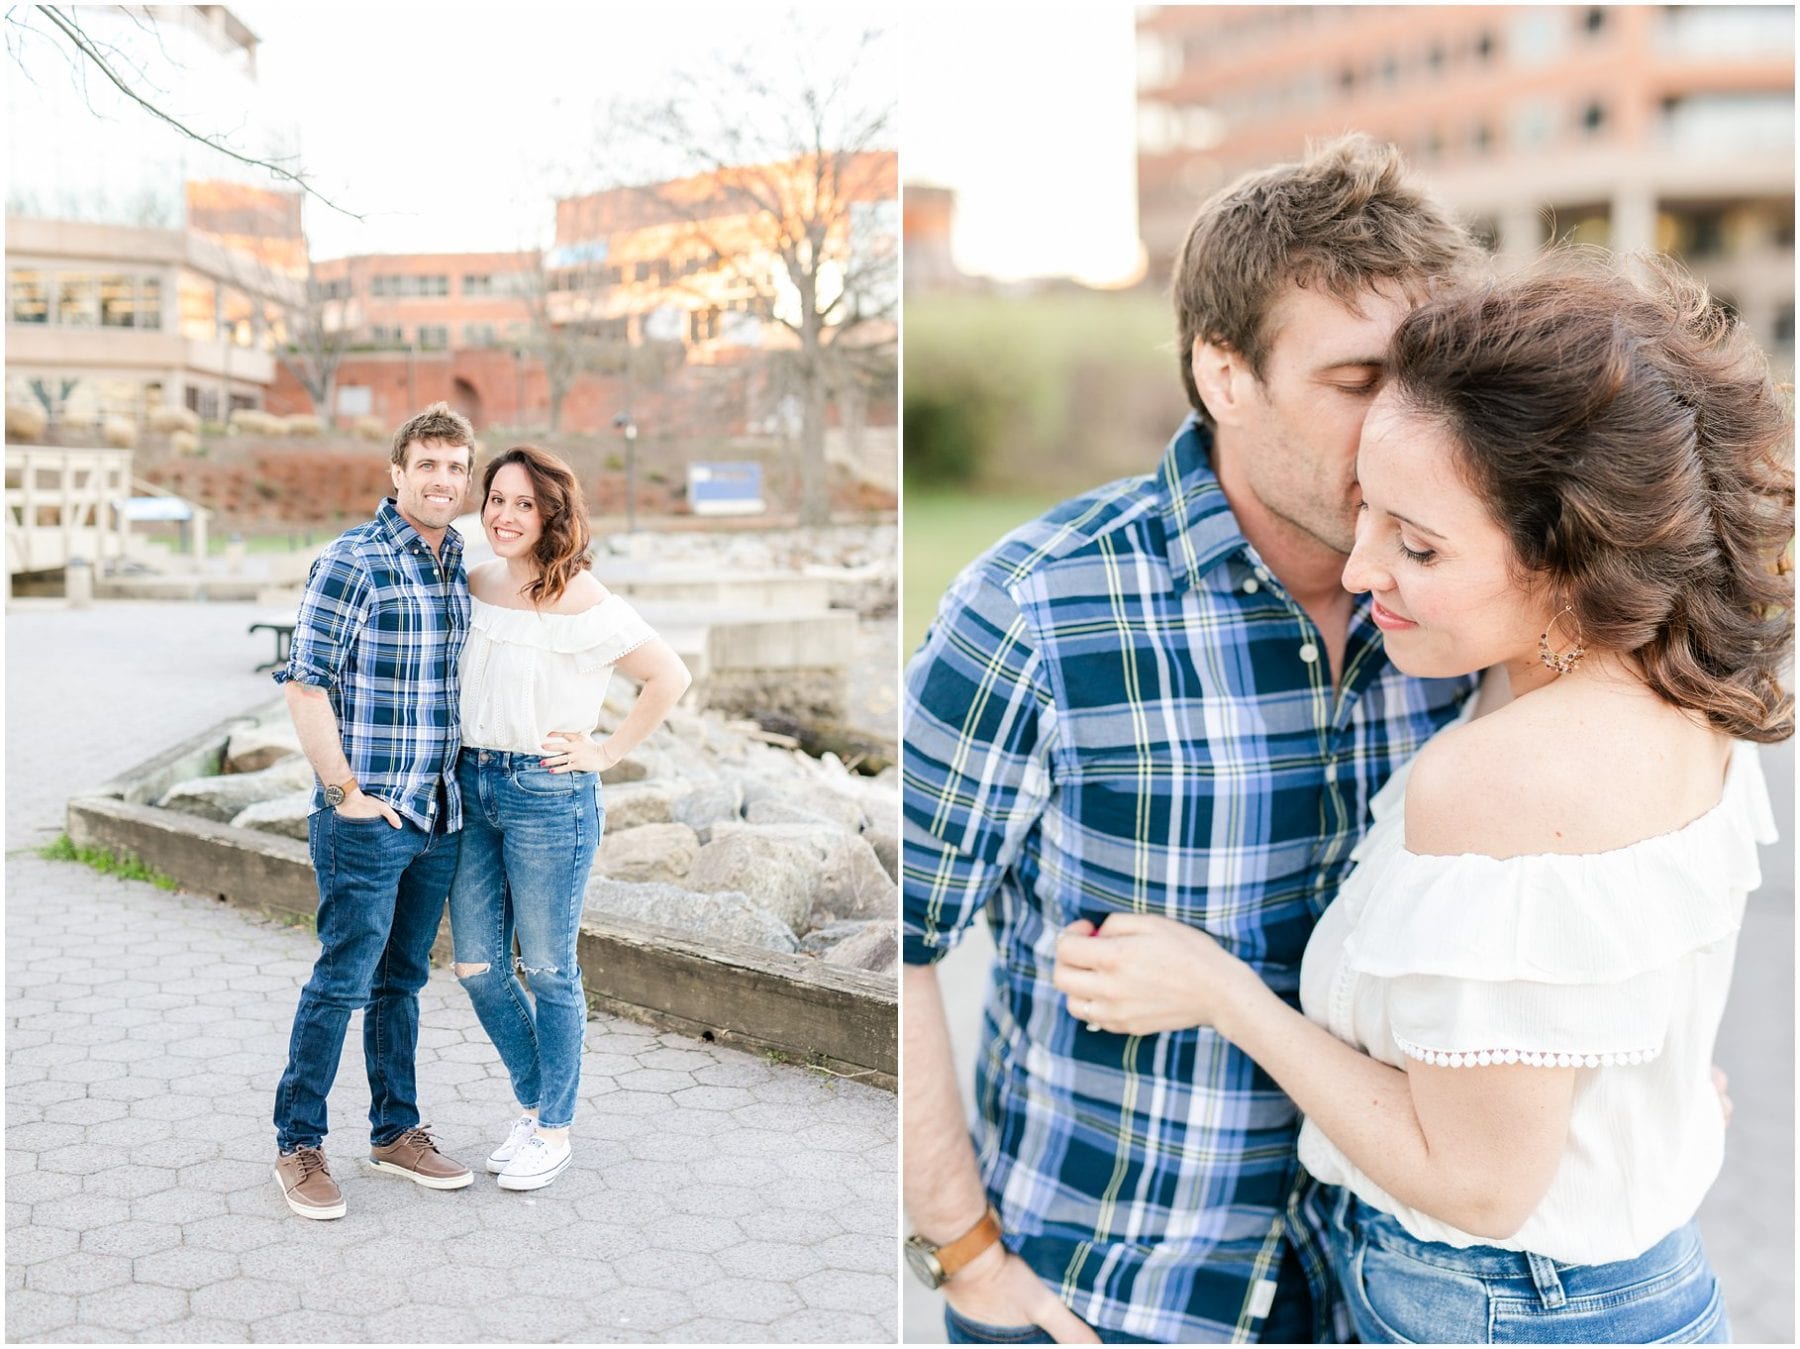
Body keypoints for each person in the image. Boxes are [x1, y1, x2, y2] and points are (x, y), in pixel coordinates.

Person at [1053, 252, 1791, 1342]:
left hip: (1500, 1306)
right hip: (1617, 1282)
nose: (1359, 569)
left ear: (1569, 554)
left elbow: (1483, 1184)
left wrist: (1220, 992)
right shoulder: (1679, 677)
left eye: (1418, 542)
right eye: (1369, 513)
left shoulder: (1499, 779)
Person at [901, 135, 1482, 1344]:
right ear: (1225, 372)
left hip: (1390, 1295)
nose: (1404, 430)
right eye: (1357, 379)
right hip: (1109, 1303)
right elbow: (892, 941)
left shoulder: (1468, 604)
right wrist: (958, 1248)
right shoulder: (1037, 611)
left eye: (1428, 378)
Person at [449, 444, 691, 1191]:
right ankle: (533, 1104)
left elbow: (667, 675)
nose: (506, 515)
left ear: (552, 513)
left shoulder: (582, 598)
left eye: (524, 503)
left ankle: (553, 1126)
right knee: (478, 965)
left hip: (547, 793)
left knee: (550, 967)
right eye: (496, 499)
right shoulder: (472, 579)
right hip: (471, 781)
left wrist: (607, 750)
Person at [271, 402, 478, 1220]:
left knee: (401, 980)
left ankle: (395, 1130)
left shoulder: (458, 559)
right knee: (342, 978)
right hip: (367, 817)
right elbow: (304, 680)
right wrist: (344, 795)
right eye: (427, 465)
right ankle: (297, 1141)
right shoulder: (352, 560)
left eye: (456, 467)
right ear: (397, 473)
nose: (442, 480)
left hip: (436, 815)